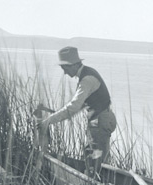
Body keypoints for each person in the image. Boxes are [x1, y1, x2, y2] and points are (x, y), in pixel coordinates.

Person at [37, 46, 116, 178]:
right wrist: (61, 114)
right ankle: (98, 182)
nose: (64, 73)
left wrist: (48, 121)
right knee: (94, 155)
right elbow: (81, 105)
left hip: (100, 121)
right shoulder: (88, 74)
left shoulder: (86, 80)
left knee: (95, 157)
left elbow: (74, 106)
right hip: (102, 119)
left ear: (73, 65)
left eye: (65, 68)